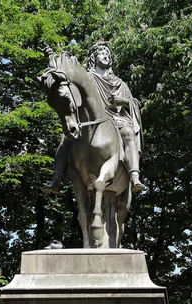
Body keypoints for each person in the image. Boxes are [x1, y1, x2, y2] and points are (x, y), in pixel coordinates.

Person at [42, 42, 145, 194]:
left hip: (116, 118)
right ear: (94, 57)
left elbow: (134, 103)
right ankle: (56, 180)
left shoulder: (119, 83)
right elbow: (66, 87)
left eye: (108, 54)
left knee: (128, 132)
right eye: (102, 52)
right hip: (90, 120)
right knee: (65, 139)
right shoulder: (88, 78)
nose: (106, 55)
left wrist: (122, 101)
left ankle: (134, 176)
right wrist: (51, 57)